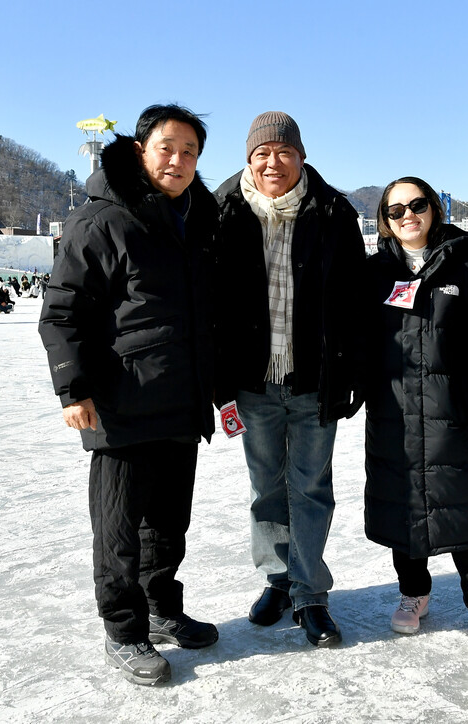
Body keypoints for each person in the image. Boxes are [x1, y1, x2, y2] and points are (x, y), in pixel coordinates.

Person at [38, 103, 221, 686]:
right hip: (120, 403)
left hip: (179, 400)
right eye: (167, 146)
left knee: (169, 523)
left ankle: (162, 608)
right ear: (141, 149)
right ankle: (124, 630)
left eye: (190, 151)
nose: (178, 159)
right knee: (118, 528)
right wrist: (73, 389)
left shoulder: (195, 218)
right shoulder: (103, 219)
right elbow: (62, 311)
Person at [213, 111, 366, 648]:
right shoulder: (222, 212)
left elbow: (354, 301)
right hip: (252, 381)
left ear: (301, 157)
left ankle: (310, 592)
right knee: (265, 488)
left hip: (312, 380)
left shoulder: (333, 213)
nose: (272, 162)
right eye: (262, 154)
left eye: (284, 152)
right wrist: (218, 379)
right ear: (247, 160)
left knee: (310, 486)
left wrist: (351, 374)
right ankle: (277, 580)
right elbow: (208, 300)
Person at [363, 176, 468, 653]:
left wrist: (461, 363)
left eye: (418, 204)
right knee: (401, 494)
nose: (408, 215)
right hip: (393, 409)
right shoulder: (375, 273)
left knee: (458, 494)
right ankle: (414, 592)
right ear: (385, 221)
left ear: (434, 209)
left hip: (450, 404)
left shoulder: (465, 262)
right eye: (395, 210)